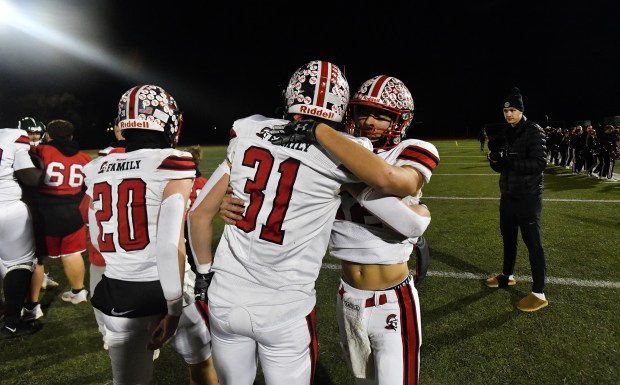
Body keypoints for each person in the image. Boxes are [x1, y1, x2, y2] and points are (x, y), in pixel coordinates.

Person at [189, 61, 432, 385]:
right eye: (363, 113)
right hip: (348, 295)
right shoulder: (333, 149)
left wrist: (351, 183)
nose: (370, 122)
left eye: (381, 115)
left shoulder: (409, 149)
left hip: (391, 297)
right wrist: (234, 203)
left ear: (400, 120)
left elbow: (402, 194)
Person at [83, 84, 216, 385]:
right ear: (167, 119)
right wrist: (172, 311)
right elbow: (170, 245)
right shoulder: (173, 162)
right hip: (167, 289)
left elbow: (95, 235)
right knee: (202, 364)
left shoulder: (96, 168)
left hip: (116, 293)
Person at [485, 87, 548, 312]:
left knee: (533, 243)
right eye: (505, 111)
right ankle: (507, 275)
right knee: (508, 237)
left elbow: (540, 163)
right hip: (509, 195)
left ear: (521, 110)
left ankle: (539, 293)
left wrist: (510, 162)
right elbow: (503, 163)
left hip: (528, 196)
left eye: (512, 110)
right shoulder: (507, 131)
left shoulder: (533, 130)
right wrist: (496, 162)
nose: (508, 114)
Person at [25, 120, 91, 321]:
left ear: (49, 135)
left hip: (44, 212)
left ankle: (32, 306)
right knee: (72, 253)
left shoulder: (39, 151)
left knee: (36, 259)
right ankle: (79, 292)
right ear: (70, 136)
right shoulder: (84, 158)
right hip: (73, 212)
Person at [0, 125, 44, 338]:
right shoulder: (11, 136)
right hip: (6, 206)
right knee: (19, 264)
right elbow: (30, 177)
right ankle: (11, 324)